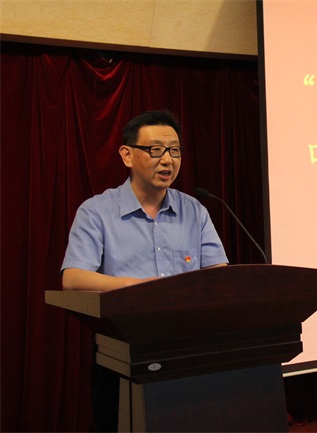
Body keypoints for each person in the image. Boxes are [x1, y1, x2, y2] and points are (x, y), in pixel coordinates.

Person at [60, 110, 228, 431]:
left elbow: (219, 275)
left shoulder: (194, 210)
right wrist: (139, 287)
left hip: (188, 347)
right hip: (122, 351)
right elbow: (73, 278)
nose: (167, 160)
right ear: (127, 155)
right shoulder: (96, 212)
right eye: (155, 150)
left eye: (175, 151)